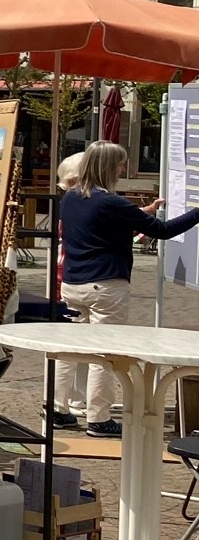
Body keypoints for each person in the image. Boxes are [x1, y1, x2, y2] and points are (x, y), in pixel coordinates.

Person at [58, 139, 199, 438]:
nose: (123, 168)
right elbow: (163, 231)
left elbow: (104, 224)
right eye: (121, 163)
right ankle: (99, 418)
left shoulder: (70, 198)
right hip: (105, 286)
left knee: (69, 351)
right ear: (110, 167)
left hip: (72, 284)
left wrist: (143, 211)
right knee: (103, 354)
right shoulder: (113, 203)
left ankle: (59, 409)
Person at [52, 151, 88, 428]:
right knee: (74, 343)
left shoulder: (71, 201)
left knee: (74, 343)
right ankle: (64, 401)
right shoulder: (77, 201)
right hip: (72, 275)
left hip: (69, 274)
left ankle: (73, 398)